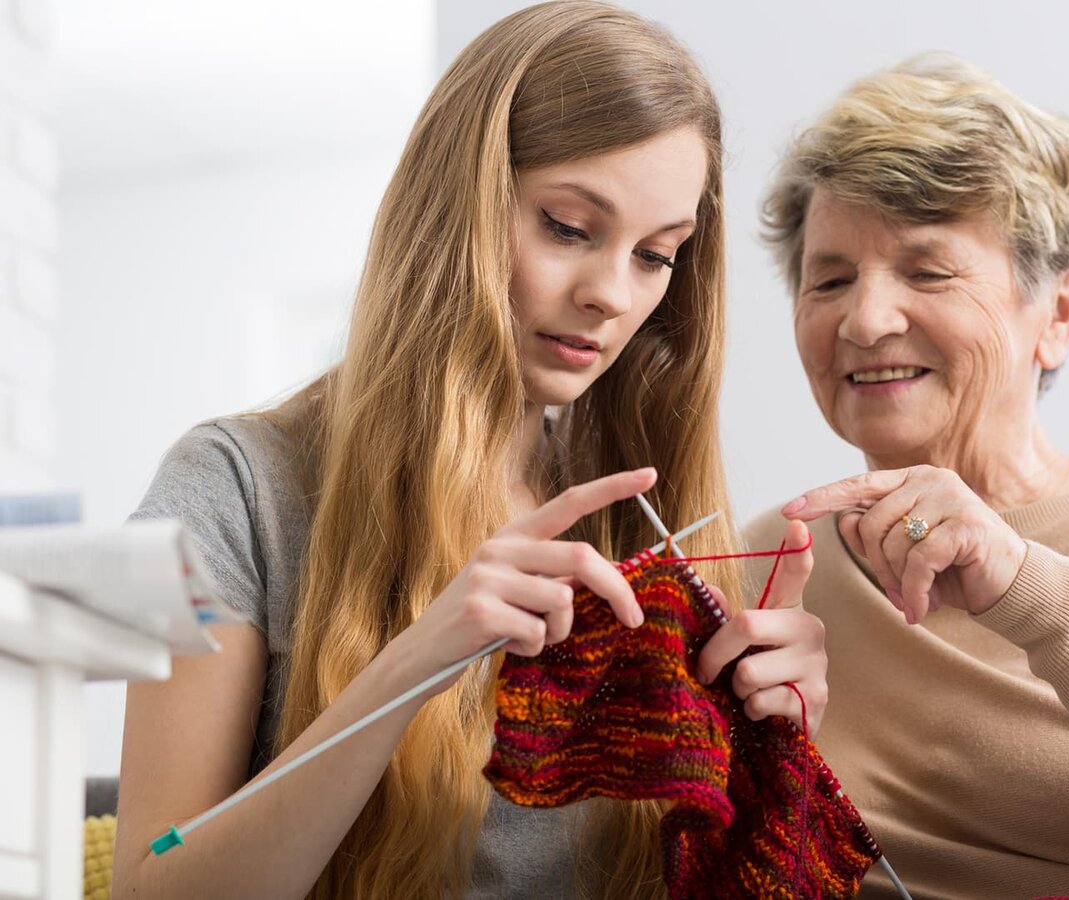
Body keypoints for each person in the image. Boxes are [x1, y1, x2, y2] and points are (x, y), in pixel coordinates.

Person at [111, 3, 825, 899]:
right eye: (567, 227)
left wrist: (772, 757)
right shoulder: (233, 489)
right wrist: (418, 660)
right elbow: (153, 890)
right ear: (457, 205)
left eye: (656, 254)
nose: (611, 293)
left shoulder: (641, 520)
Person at [747, 52, 1069, 898]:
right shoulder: (767, 562)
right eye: (830, 279)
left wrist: (1026, 587)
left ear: (1058, 313)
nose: (866, 319)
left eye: (928, 272)